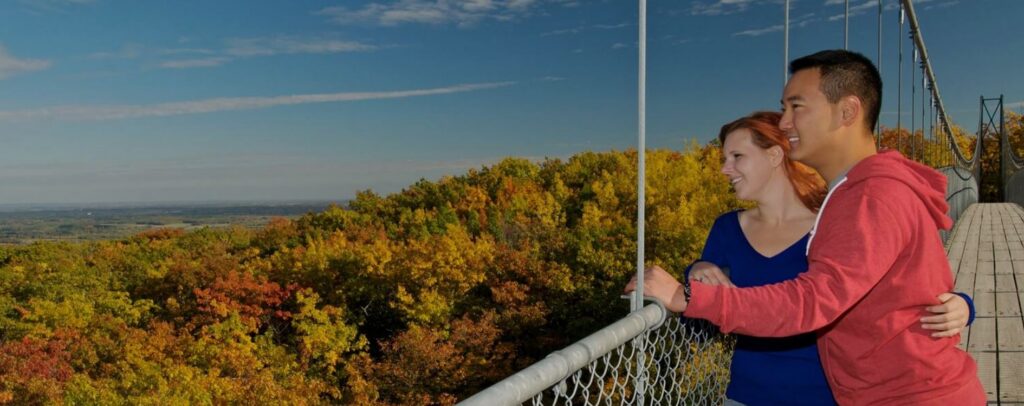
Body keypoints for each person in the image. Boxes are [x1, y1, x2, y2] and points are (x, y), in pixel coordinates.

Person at [627, 50, 985, 405]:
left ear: (847, 111)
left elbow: (814, 300)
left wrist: (684, 297)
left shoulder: (871, 196)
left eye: (796, 107)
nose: (783, 122)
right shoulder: (857, 194)